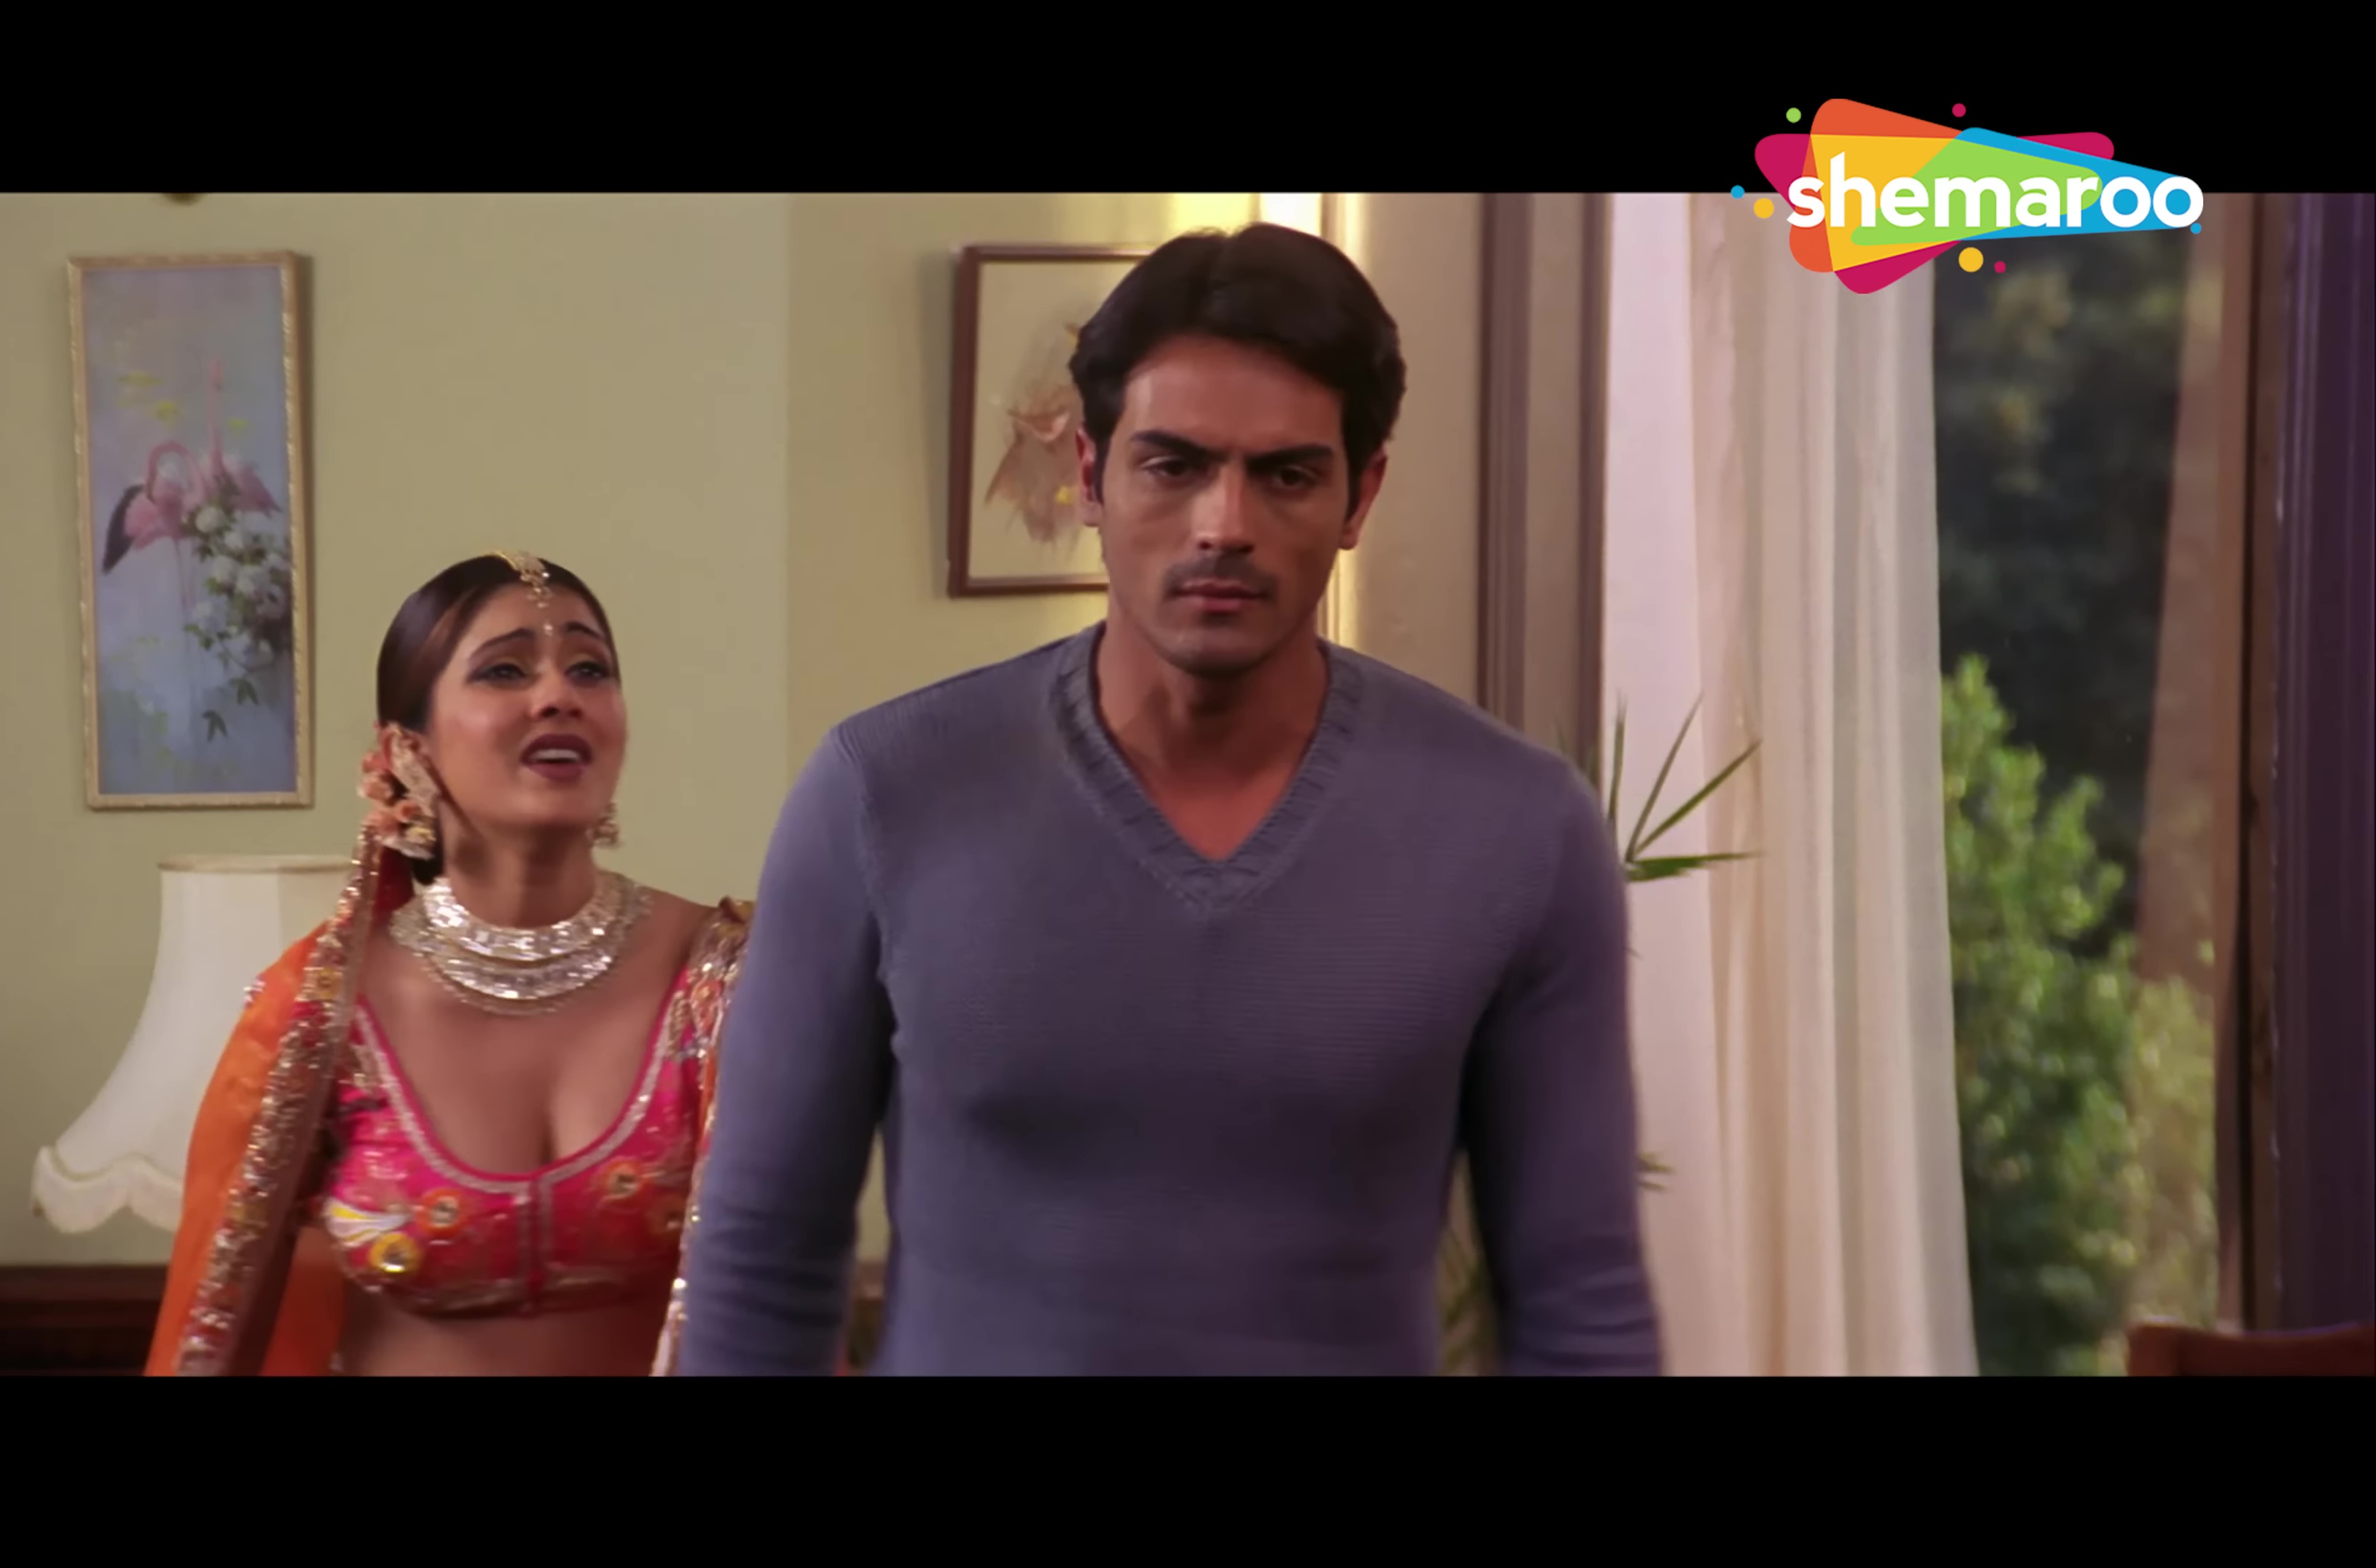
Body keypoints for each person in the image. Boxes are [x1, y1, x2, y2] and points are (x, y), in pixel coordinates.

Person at [661, 223, 1663, 1375]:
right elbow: (762, 1260)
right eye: (1173, 465)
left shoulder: (1515, 829)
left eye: (1286, 475)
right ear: (1090, 475)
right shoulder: (884, 796)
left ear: (1361, 496)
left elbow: (1580, 1300)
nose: (1224, 526)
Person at [146, 551, 759, 1376]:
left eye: (590, 669)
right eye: (505, 670)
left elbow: (787, 1293)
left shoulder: (722, 979)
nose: (559, 695)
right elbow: (222, 1324)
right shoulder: (322, 1011)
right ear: (406, 749)